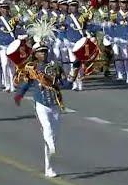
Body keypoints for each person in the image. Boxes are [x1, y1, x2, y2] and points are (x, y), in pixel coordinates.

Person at [14, 42, 79, 177]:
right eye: (40, 52)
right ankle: (51, 147)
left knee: (53, 137)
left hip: (55, 104)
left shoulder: (55, 66)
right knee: (47, 129)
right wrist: (20, 94)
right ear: (35, 54)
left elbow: (65, 84)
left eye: (45, 51)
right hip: (41, 104)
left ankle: (48, 168)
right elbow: (27, 84)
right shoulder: (32, 68)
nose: (43, 54)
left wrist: (75, 70)